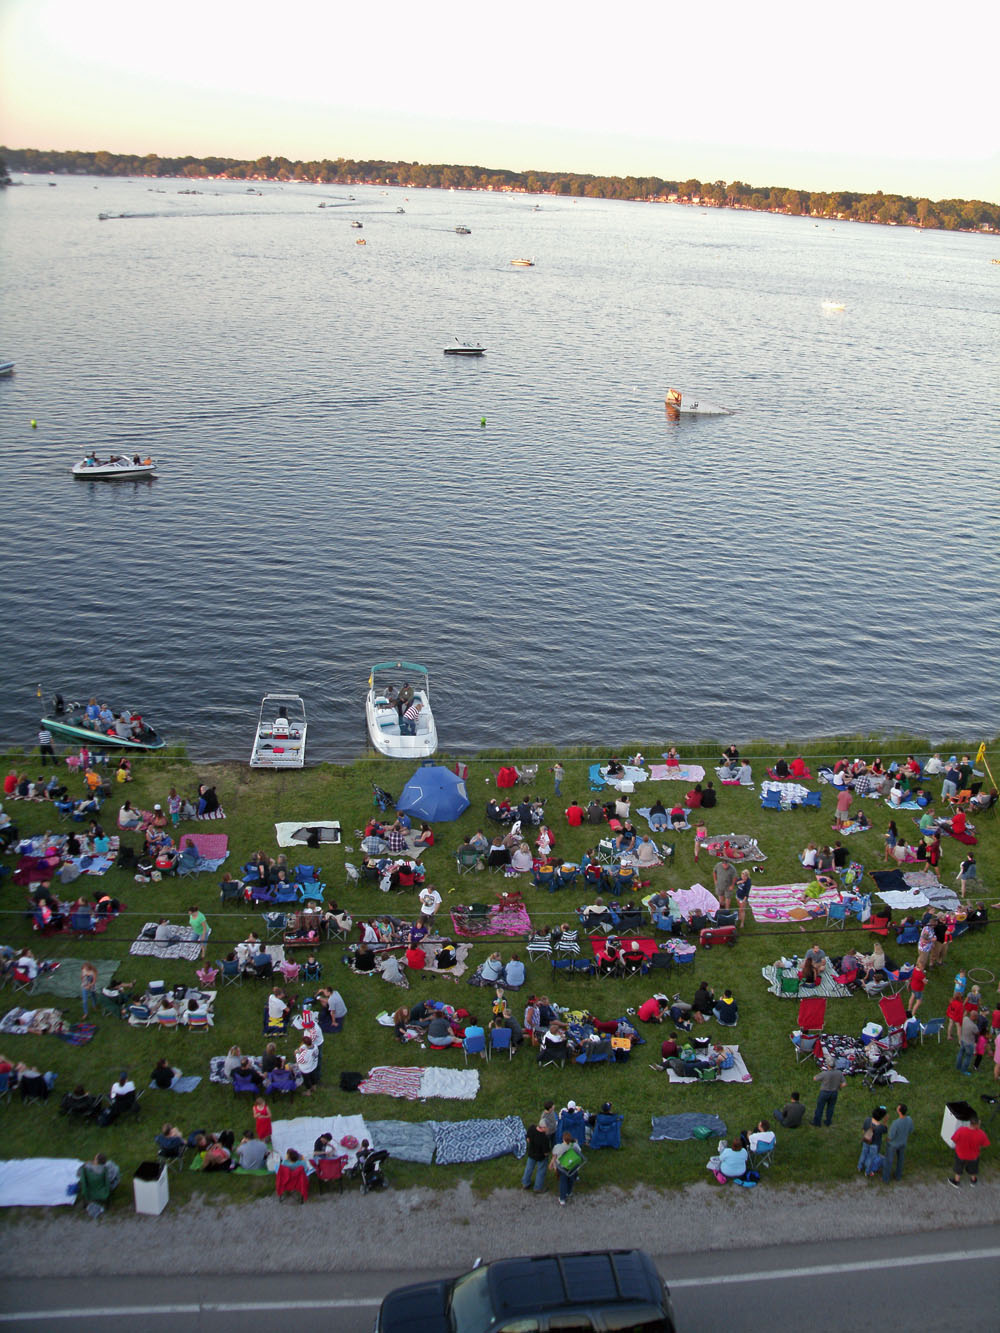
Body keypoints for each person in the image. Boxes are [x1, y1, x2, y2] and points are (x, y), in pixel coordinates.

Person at [948, 1113, 990, 1188]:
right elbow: (985, 1144)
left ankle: (956, 1181)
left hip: (960, 1154)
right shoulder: (981, 1134)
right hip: (973, 1156)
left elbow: (954, 1139)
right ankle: (973, 1181)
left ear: (970, 1123)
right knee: (973, 1168)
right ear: (977, 1125)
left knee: (959, 1167)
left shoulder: (961, 1130)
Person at [551, 1130, 584, 1205]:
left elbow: (554, 1156)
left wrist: (553, 1166)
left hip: (563, 1167)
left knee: (563, 1181)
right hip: (573, 1166)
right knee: (571, 1179)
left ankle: (562, 1198)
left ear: (563, 1138)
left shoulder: (558, 1147)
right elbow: (580, 1151)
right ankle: (569, 1192)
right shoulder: (574, 1145)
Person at [857, 1106, 888, 1176]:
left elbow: (863, 1129)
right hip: (875, 1145)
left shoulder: (867, 1120)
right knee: (871, 1158)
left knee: (863, 1153)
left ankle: (859, 1167)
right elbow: (885, 1130)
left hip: (866, 1140)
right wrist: (885, 1122)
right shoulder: (881, 1127)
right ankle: (867, 1172)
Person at [812, 1060, 846, 1126]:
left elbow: (815, 1078)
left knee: (820, 1107)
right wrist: (838, 1087)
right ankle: (828, 1122)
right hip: (834, 1093)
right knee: (831, 1108)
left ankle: (817, 1122)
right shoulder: (839, 1073)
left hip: (824, 1092)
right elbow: (844, 1084)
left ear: (828, 1066)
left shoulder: (825, 1073)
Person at [522, 1119, 551, 1192]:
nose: (548, 1129)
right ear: (543, 1127)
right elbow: (546, 1153)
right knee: (541, 1171)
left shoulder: (531, 1128)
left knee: (528, 1168)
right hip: (541, 1157)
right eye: (547, 1127)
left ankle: (525, 1183)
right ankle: (538, 1188)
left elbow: (528, 1139)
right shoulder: (545, 1138)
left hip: (531, 1153)